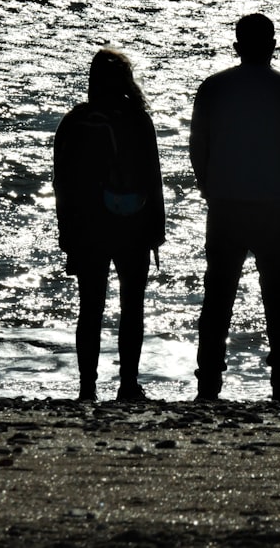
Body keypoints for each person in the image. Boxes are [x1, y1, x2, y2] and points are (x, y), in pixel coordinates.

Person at [190, 13, 280, 401]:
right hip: (277, 207)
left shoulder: (214, 88)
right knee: (279, 298)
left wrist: (210, 189)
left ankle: (209, 382)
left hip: (227, 204)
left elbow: (199, 146)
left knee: (218, 297)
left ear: (237, 45)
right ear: (272, 45)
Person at [53, 49, 165, 402]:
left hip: (87, 226)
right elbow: (153, 178)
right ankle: (128, 384)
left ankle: (87, 387)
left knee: (90, 308)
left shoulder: (75, 120)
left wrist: (66, 232)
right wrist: (156, 230)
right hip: (132, 223)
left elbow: (61, 182)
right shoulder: (137, 120)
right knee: (132, 307)